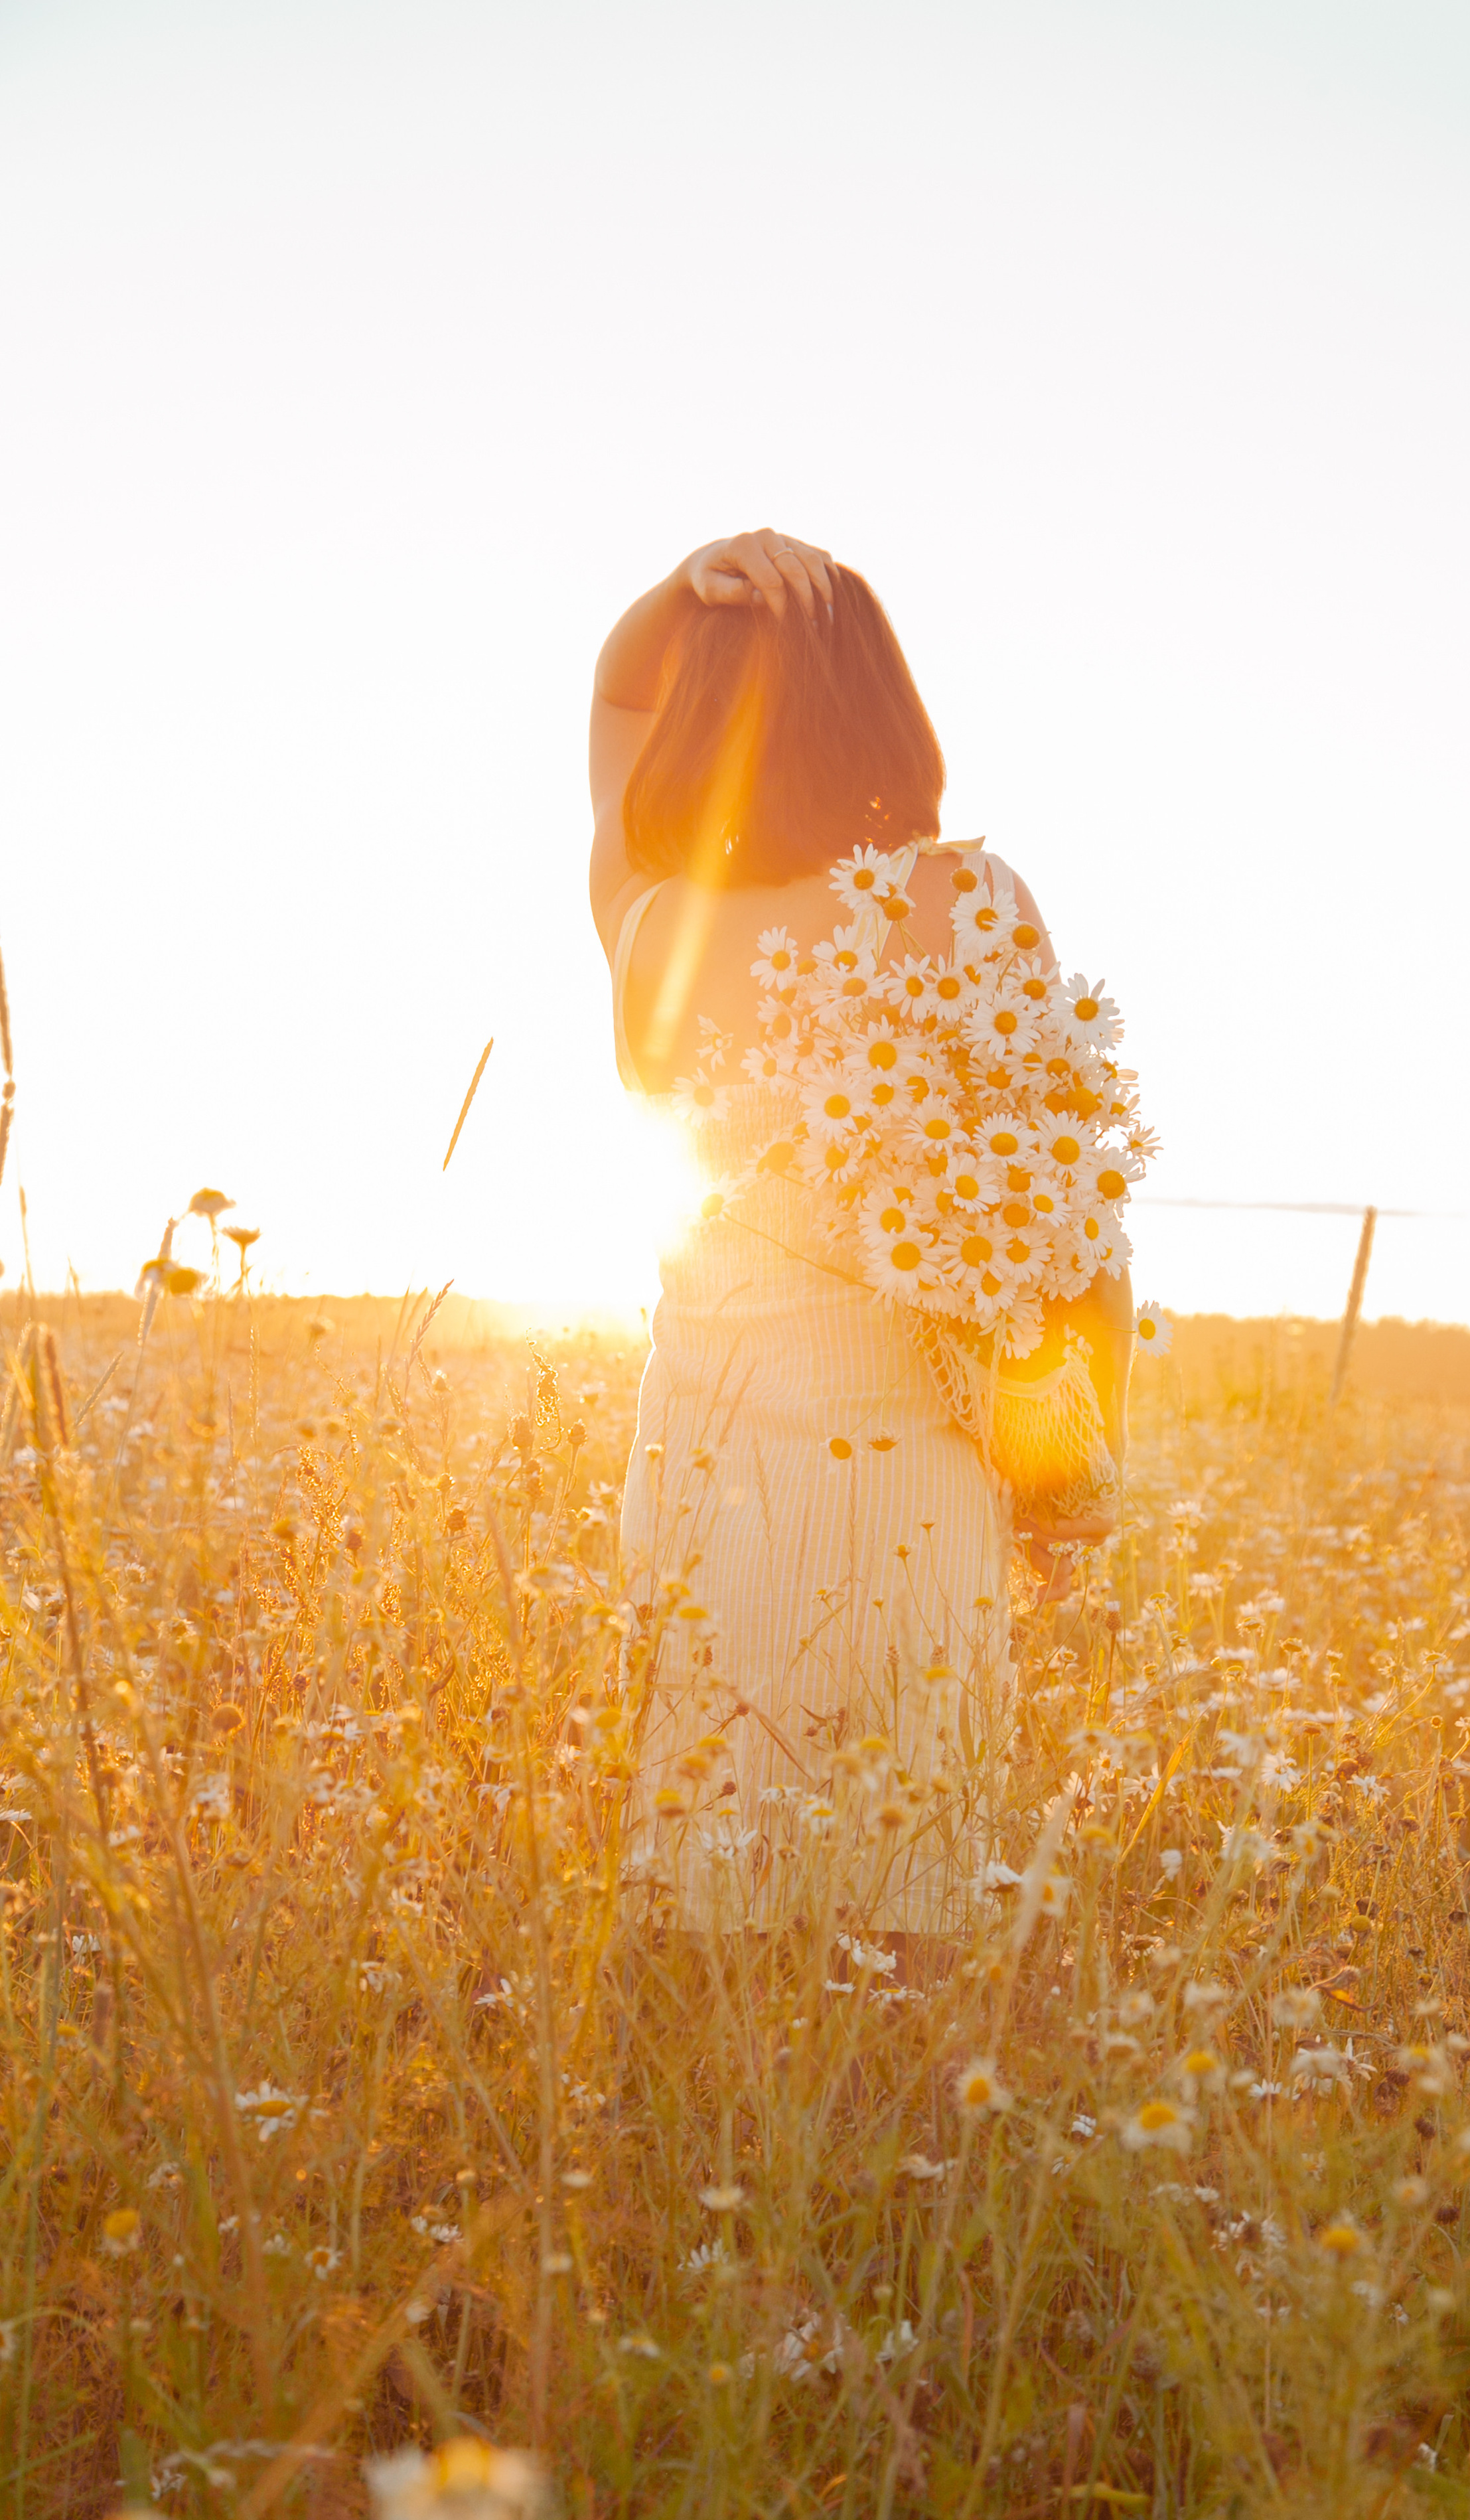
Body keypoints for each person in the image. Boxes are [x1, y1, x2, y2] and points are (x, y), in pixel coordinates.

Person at [589, 530, 1132, 1934]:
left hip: (700, 1455)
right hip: (911, 1458)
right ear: (883, 706)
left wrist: (681, 593)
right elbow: (1071, 1228)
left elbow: (615, 705)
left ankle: (706, 2079)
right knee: (910, 1885)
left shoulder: (650, 927)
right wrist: (1071, 1470)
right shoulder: (973, 903)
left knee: (705, 1861)